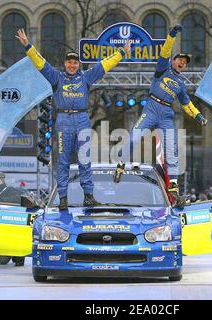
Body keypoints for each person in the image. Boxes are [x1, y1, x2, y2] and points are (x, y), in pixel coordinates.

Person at [16, 28, 131, 210]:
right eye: (69, 62)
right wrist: (27, 46)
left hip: (82, 118)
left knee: (85, 158)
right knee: (63, 160)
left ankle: (88, 196)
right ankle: (63, 198)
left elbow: (104, 65)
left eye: (75, 63)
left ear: (78, 64)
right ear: (65, 64)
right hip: (63, 119)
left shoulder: (86, 77)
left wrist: (121, 53)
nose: (72, 65)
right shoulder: (56, 77)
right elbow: (40, 63)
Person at [125, 24, 208, 205]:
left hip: (166, 114)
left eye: (185, 63)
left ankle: (174, 187)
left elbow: (187, 104)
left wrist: (198, 116)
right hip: (152, 107)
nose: (182, 63)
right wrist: (171, 35)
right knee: (134, 137)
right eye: (180, 60)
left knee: (172, 149)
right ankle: (122, 164)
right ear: (173, 61)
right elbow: (165, 51)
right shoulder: (163, 69)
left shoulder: (181, 84)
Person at [0, 172, 24, 266]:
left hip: (10, 222)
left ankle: (18, 259)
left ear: (2, 179)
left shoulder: (10, 190)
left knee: (14, 241)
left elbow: (18, 199)